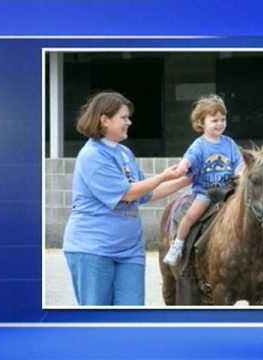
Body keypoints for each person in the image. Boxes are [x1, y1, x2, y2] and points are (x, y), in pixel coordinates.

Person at [63, 91, 190, 306]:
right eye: (123, 117)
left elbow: (143, 194)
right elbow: (127, 193)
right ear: (104, 119)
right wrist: (163, 175)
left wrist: (186, 180)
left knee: (130, 317)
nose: (129, 122)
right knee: (98, 320)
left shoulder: (124, 153)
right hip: (93, 249)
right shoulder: (92, 155)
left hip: (129, 251)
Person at [163, 94, 263, 266]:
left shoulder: (229, 143)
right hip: (206, 191)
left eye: (222, 119)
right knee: (190, 216)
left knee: (256, 209)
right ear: (201, 123)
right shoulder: (199, 145)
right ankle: (178, 245)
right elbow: (188, 159)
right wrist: (181, 168)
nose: (220, 124)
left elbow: (239, 165)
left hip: (228, 190)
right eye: (214, 120)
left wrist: (240, 175)